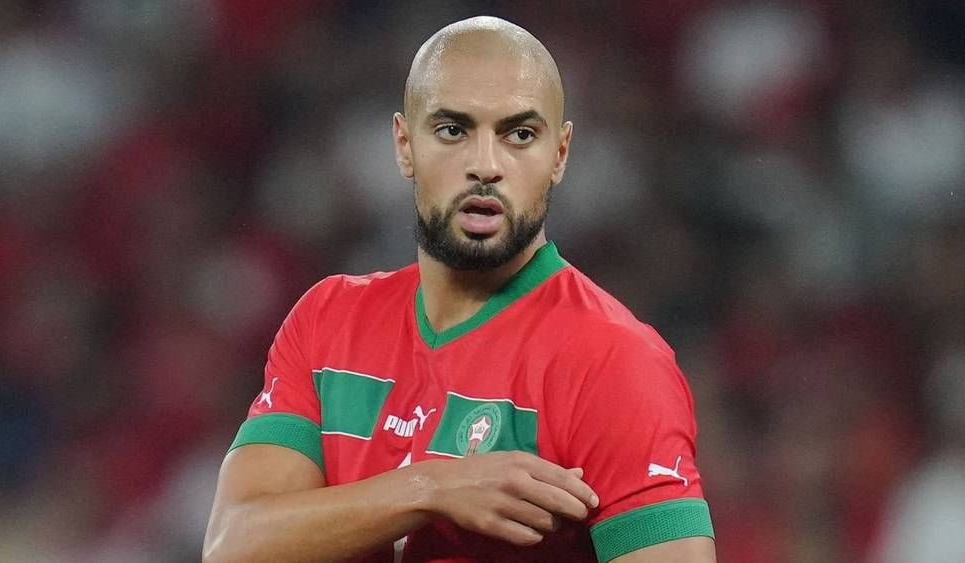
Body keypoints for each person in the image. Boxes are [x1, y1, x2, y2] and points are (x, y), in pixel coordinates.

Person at [203, 15, 716, 563]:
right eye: (453, 130)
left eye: (520, 135)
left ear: (560, 154)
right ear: (404, 144)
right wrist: (433, 488)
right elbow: (234, 544)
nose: (485, 165)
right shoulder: (329, 321)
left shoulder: (613, 361)